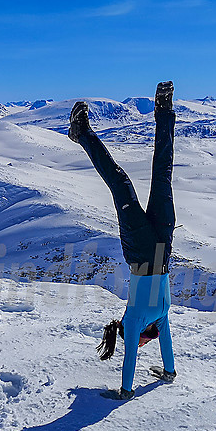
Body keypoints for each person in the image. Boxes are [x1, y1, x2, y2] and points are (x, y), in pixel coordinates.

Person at [69, 81, 178, 400]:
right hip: (162, 246)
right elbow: (166, 344)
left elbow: (130, 355)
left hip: (144, 252)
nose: (140, 345)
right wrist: (168, 372)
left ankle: (81, 133)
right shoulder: (160, 318)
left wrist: (126, 390)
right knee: (163, 175)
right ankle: (164, 110)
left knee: (120, 182)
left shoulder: (135, 320)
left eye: (140, 343)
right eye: (144, 343)